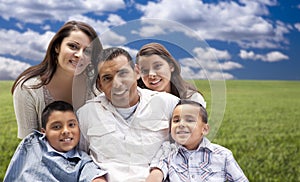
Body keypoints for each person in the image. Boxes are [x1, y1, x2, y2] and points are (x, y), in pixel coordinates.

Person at [77, 47, 179, 181]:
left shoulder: (168, 104)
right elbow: (79, 158)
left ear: (137, 72)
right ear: (100, 85)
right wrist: (94, 177)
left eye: (123, 73)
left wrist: (159, 172)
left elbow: (188, 150)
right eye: (107, 78)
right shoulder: (86, 114)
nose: (117, 84)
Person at [11, 20, 102, 139]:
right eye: (73, 46)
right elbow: (30, 147)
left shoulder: (97, 85)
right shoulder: (28, 89)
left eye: (87, 51)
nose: (80, 55)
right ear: (57, 47)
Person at [146, 99, 248, 182]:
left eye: (190, 120)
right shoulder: (167, 150)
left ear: (204, 129)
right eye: (176, 120)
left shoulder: (223, 155)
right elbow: (156, 173)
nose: (181, 124)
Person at [4, 101, 107, 182]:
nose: (66, 131)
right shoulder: (33, 143)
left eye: (71, 125)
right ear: (44, 132)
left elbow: (93, 175)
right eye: (57, 127)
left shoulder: (82, 161)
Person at [136, 42, 206, 108]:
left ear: (171, 66)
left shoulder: (192, 98)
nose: (151, 74)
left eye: (157, 66)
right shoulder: (137, 101)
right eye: (144, 70)